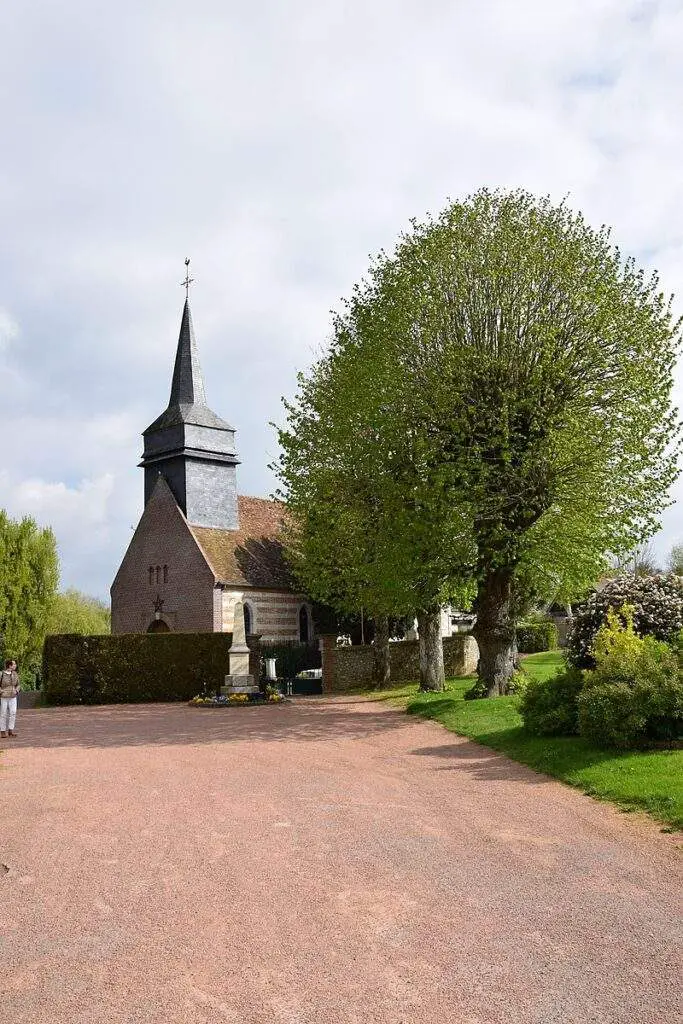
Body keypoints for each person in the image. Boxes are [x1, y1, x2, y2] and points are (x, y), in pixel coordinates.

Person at [0, 659, 20, 738]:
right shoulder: (1, 674)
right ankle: (2, 731)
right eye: (14, 664)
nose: (15, 665)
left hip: (13, 696)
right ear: (9, 665)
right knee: (3, 713)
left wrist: (17, 690)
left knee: (13, 713)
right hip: (4, 697)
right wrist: (1, 692)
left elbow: (18, 684)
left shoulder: (15, 674)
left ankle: (10, 730)